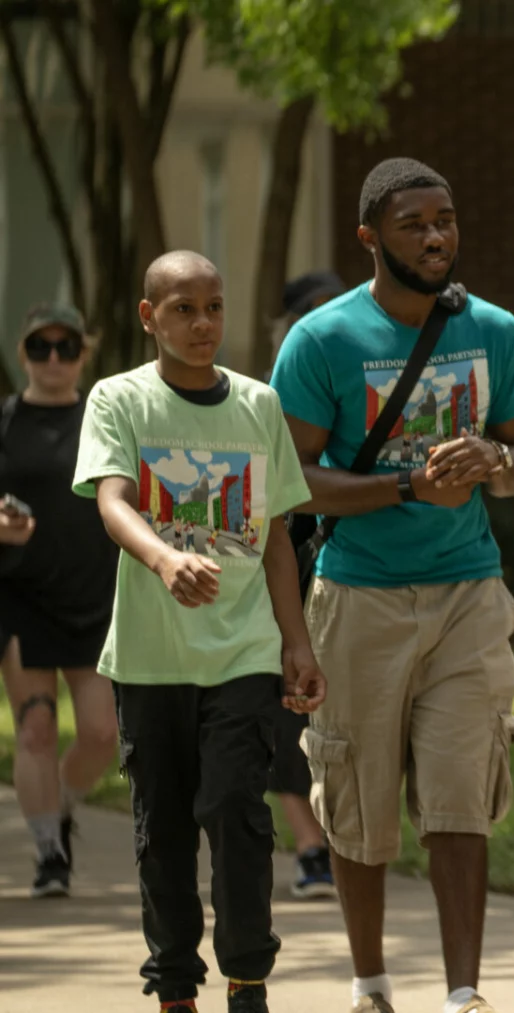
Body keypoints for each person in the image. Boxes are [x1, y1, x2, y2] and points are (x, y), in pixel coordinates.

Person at [270, 158, 514, 1013]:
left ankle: (464, 993)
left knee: (463, 795)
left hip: (468, 592)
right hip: (360, 595)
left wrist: (493, 459)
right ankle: (371, 984)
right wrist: (407, 486)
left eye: (445, 220)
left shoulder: (493, 330)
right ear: (369, 238)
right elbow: (289, 482)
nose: (435, 237)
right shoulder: (322, 340)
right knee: (359, 799)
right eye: (413, 224)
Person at [73, 250, 324, 1013]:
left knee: (235, 808)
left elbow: (275, 538)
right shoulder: (120, 399)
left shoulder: (258, 404)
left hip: (244, 651)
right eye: (183, 309)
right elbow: (113, 500)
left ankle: (248, 981)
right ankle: (175, 986)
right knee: (164, 831)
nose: (202, 322)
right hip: (151, 659)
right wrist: (164, 558)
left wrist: (296, 641)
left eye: (213, 306)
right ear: (150, 317)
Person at [0, 304, 119, 898]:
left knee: (102, 733)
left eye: (65, 347)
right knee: (36, 728)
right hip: (21, 597)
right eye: (40, 347)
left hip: (94, 596)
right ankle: (50, 852)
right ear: (23, 354)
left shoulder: (106, 419)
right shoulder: (5, 422)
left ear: (82, 354)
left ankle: (63, 806)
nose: (53, 358)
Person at [268, 270, 348, 901]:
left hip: (347, 561)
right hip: (281, 563)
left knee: (338, 707)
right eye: (309, 312)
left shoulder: (362, 375)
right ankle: (309, 844)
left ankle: (337, 834)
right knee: (284, 703)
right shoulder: (262, 397)